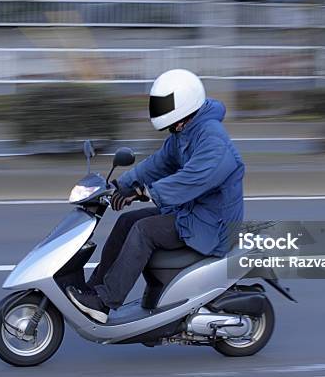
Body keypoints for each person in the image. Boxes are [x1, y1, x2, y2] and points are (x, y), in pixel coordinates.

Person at [66, 69, 245, 323]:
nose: (158, 109)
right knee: (126, 222)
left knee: (143, 230)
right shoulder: (186, 131)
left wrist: (145, 192)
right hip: (191, 213)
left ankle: (106, 301)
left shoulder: (213, 139)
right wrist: (120, 185)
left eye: (164, 104)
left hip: (211, 224)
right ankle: (94, 291)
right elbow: (157, 164)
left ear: (183, 102)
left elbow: (193, 178)